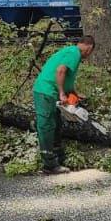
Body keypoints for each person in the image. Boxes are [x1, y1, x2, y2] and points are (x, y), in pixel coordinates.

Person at [33, 35, 95, 174]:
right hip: (46, 92)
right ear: (89, 48)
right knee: (47, 126)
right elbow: (60, 71)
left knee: (56, 125)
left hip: (50, 92)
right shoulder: (75, 53)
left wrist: (73, 93)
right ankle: (49, 164)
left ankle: (57, 159)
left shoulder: (70, 52)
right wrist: (62, 93)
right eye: (90, 52)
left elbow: (66, 78)